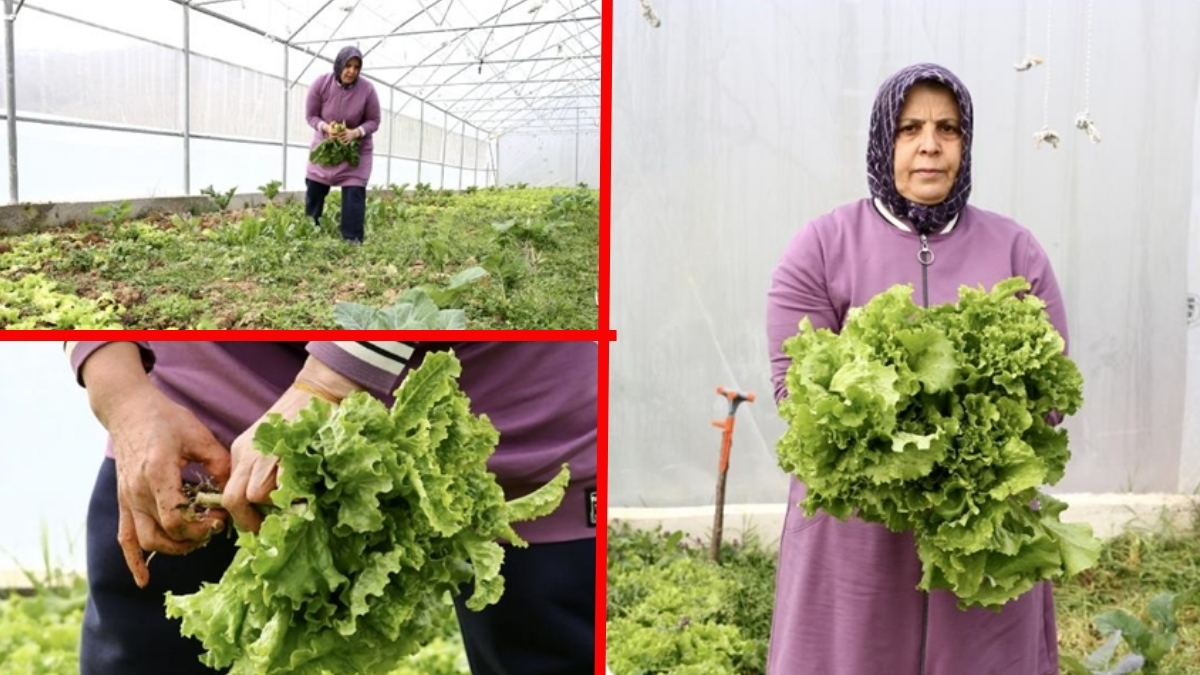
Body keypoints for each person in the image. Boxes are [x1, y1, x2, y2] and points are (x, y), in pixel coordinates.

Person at [765, 63, 1068, 675]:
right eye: (910, 129)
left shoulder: (1016, 250)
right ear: (885, 141)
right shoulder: (822, 247)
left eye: (948, 129)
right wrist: (889, 444)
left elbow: (1050, 394)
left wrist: (970, 444)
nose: (929, 145)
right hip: (857, 536)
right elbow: (797, 397)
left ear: (966, 143)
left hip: (980, 529)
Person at [69, 340, 597, 675]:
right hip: (205, 438)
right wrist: (122, 396)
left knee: (544, 653)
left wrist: (329, 379)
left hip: (501, 430)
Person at [306, 45, 381, 244]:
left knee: (354, 193)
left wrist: (355, 132)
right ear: (339, 64)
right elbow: (311, 116)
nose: (352, 71)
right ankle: (309, 230)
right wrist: (325, 128)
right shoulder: (321, 84)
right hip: (326, 147)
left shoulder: (367, 90)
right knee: (314, 187)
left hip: (355, 151)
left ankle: (352, 239)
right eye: (348, 65)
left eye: (356, 67)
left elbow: (374, 121)